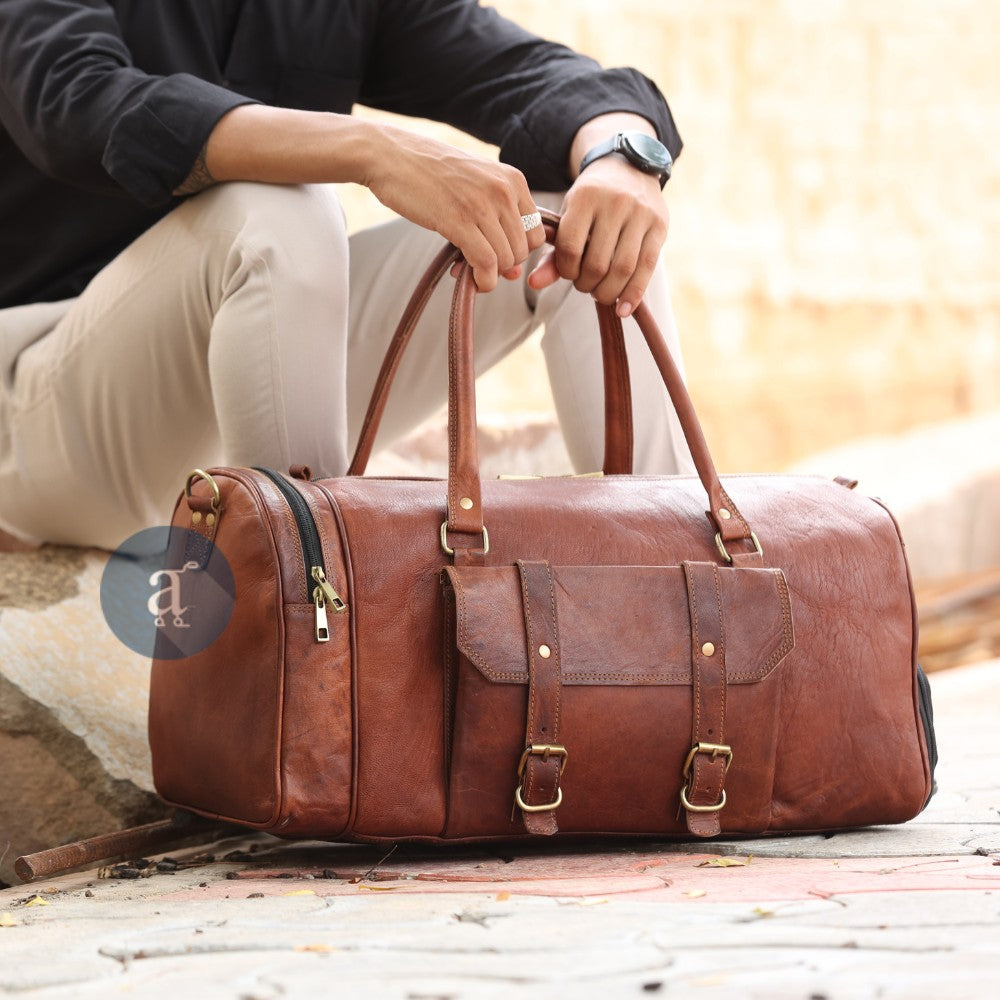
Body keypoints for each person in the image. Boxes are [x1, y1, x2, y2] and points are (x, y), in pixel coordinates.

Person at [0, 0, 693, 552]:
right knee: (273, 203)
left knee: (569, 217)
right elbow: (75, 101)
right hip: (48, 408)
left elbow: (539, 76)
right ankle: (318, 623)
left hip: (248, 392)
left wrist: (620, 153)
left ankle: (686, 597)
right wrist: (371, 151)